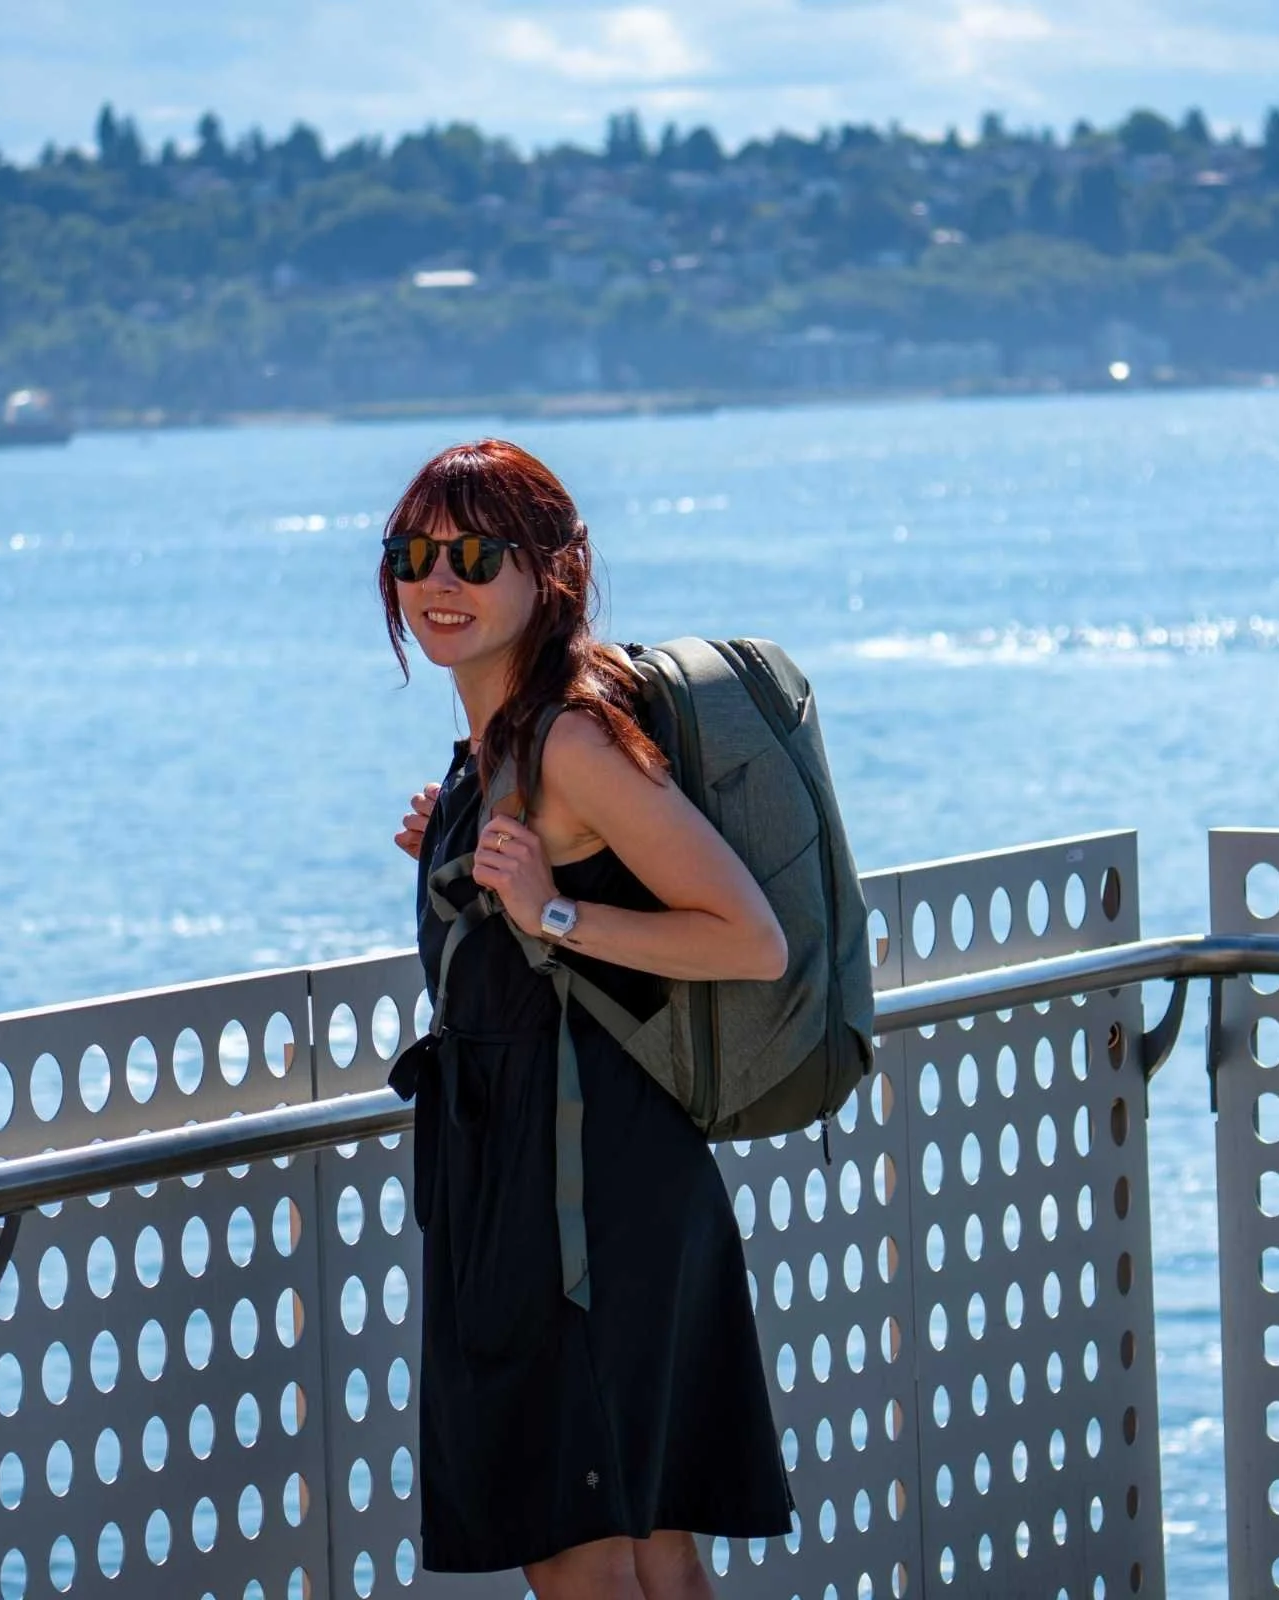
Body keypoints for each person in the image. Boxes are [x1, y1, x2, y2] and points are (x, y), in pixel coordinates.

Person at [383, 439, 795, 1599]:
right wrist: (465, 850)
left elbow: (746, 938)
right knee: (654, 1555)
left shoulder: (567, 738)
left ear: (549, 573)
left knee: (594, 1565)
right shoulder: (500, 745)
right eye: (415, 553)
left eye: (475, 551)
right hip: (558, 1174)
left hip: (575, 1191)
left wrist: (549, 908)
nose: (438, 579)